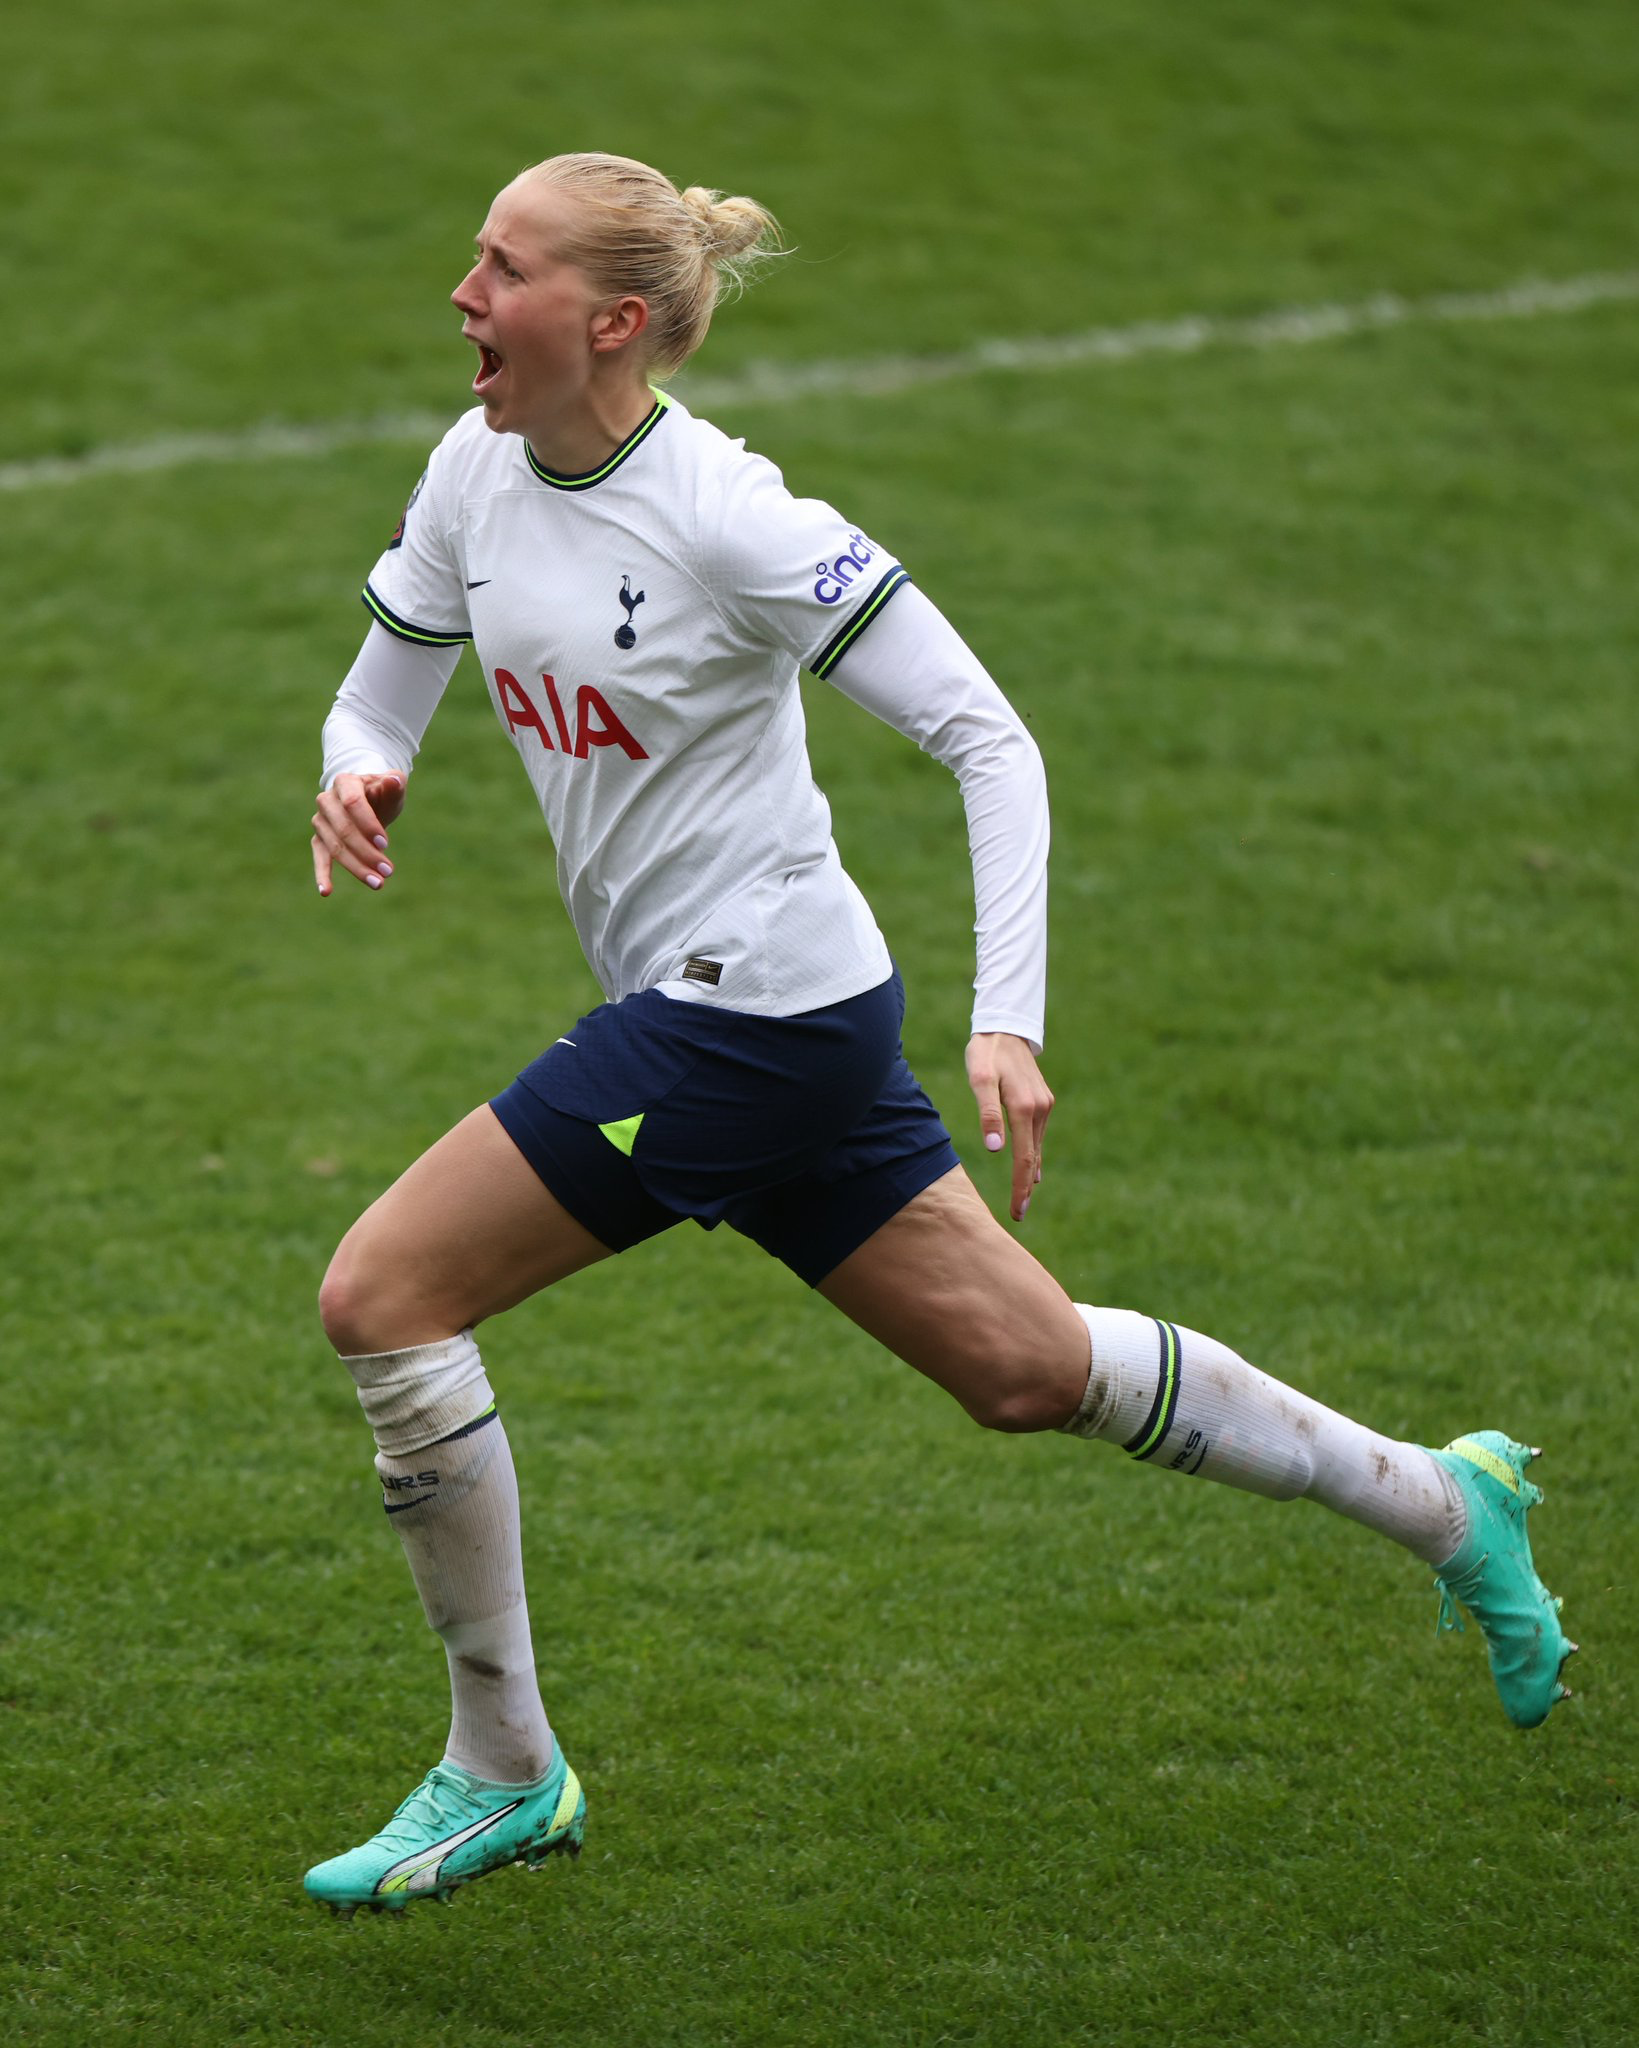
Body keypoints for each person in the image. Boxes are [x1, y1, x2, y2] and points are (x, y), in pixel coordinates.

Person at [302, 153, 1575, 1916]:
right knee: (1026, 1373)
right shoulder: (473, 470)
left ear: (607, 321)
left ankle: (502, 1769)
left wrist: (1009, 1021)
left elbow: (991, 739)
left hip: (746, 1016)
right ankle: (1445, 1502)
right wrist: (356, 768)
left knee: (385, 1296)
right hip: (758, 1022)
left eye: (498, 269)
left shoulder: (729, 518)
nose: (459, 293)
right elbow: (386, 678)